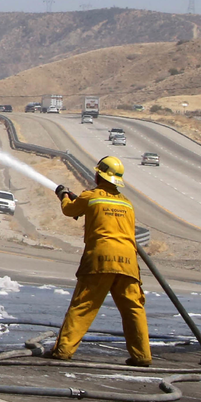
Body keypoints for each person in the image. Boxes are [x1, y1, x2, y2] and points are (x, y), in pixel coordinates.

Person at [51, 155, 151, 366]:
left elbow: (69, 210)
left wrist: (64, 195)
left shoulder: (91, 196)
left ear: (98, 176)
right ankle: (142, 356)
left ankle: (63, 351)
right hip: (128, 262)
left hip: (100, 258)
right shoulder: (127, 203)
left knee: (84, 305)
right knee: (133, 309)